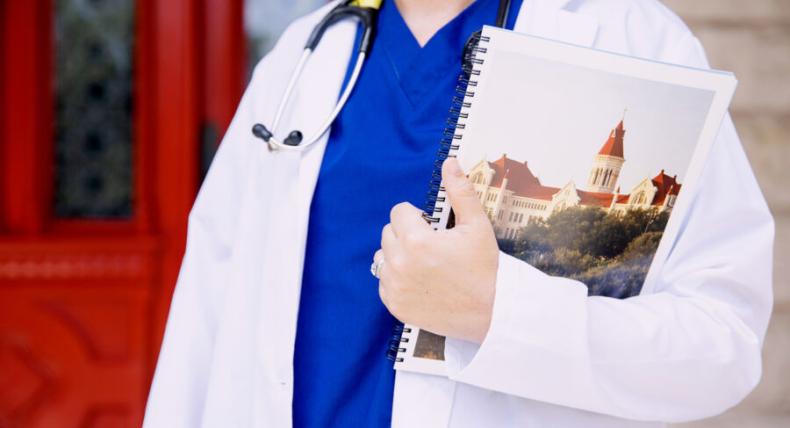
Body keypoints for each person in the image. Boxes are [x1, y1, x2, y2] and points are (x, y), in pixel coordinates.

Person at [143, 0, 775, 427]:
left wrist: (501, 314)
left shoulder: (632, 37)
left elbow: (722, 345)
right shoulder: (303, 54)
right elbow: (207, 311)